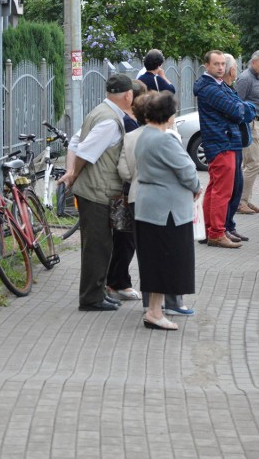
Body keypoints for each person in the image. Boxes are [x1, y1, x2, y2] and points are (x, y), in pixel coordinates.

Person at [59, 74, 134, 311]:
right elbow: (85, 151)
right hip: (96, 191)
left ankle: (99, 292)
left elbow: (74, 141)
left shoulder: (101, 111)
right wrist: (73, 173)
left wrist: (72, 171)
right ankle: (91, 298)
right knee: (97, 247)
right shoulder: (110, 121)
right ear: (128, 95)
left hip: (95, 190)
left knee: (102, 245)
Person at [134, 92, 201, 331]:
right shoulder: (164, 139)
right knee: (165, 261)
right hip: (167, 211)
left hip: (149, 206)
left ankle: (155, 310)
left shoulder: (145, 135)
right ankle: (154, 312)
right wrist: (196, 187)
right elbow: (188, 171)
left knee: (155, 260)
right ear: (168, 115)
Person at [193, 50, 256, 248]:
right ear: (206, 66)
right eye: (216, 64)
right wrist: (243, 109)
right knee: (222, 191)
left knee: (215, 188)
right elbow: (237, 111)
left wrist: (244, 109)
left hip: (225, 141)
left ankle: (209, 230)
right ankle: (217, 233)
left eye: (223, 64)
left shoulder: (217, 85)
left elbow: (241, 108)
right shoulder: (209, 88)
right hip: (222, 142)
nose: (221, 68)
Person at [105, 79, 147, 302]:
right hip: (125, 187)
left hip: (126, 185)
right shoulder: (127, 123)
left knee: (125, 236)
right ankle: (117, 281)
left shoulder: (129, 120)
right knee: (125, 236)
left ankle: (117, 279)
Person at [234, 49, 259, 215]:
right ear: (253, 62)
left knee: (251, 164)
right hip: (249, 124)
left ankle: (245, 199)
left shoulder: (257, 79)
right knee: (253, 164)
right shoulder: (246, 78)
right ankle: (241, 201)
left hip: (258, 124)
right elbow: (237, 103)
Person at [222, 53, 250, 243]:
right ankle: (223, 226)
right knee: (230, 188)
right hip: (229, 142)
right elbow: (239, 111)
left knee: (236, 186)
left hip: (236, 140)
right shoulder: (222, 89)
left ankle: (229, 225)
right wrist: (246, 108)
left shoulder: (228, 88)